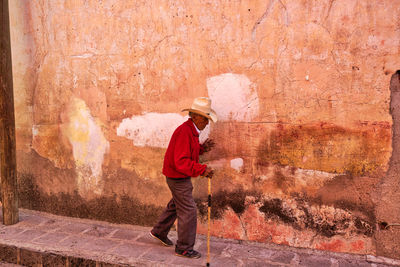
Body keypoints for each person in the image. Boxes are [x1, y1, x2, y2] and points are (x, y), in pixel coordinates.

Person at [150, 97, 217, 259]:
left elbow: (188, 152)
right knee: (188, 210)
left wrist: (202, 149)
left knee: (176, 204)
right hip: (177, 177)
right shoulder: (184, 132)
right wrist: (202, 169)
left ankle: (159, 231)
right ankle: (184, 248)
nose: (207, 123)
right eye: (205, 119)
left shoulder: (191, 131)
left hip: (177, 176)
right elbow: (181, 162)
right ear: (195, 116)